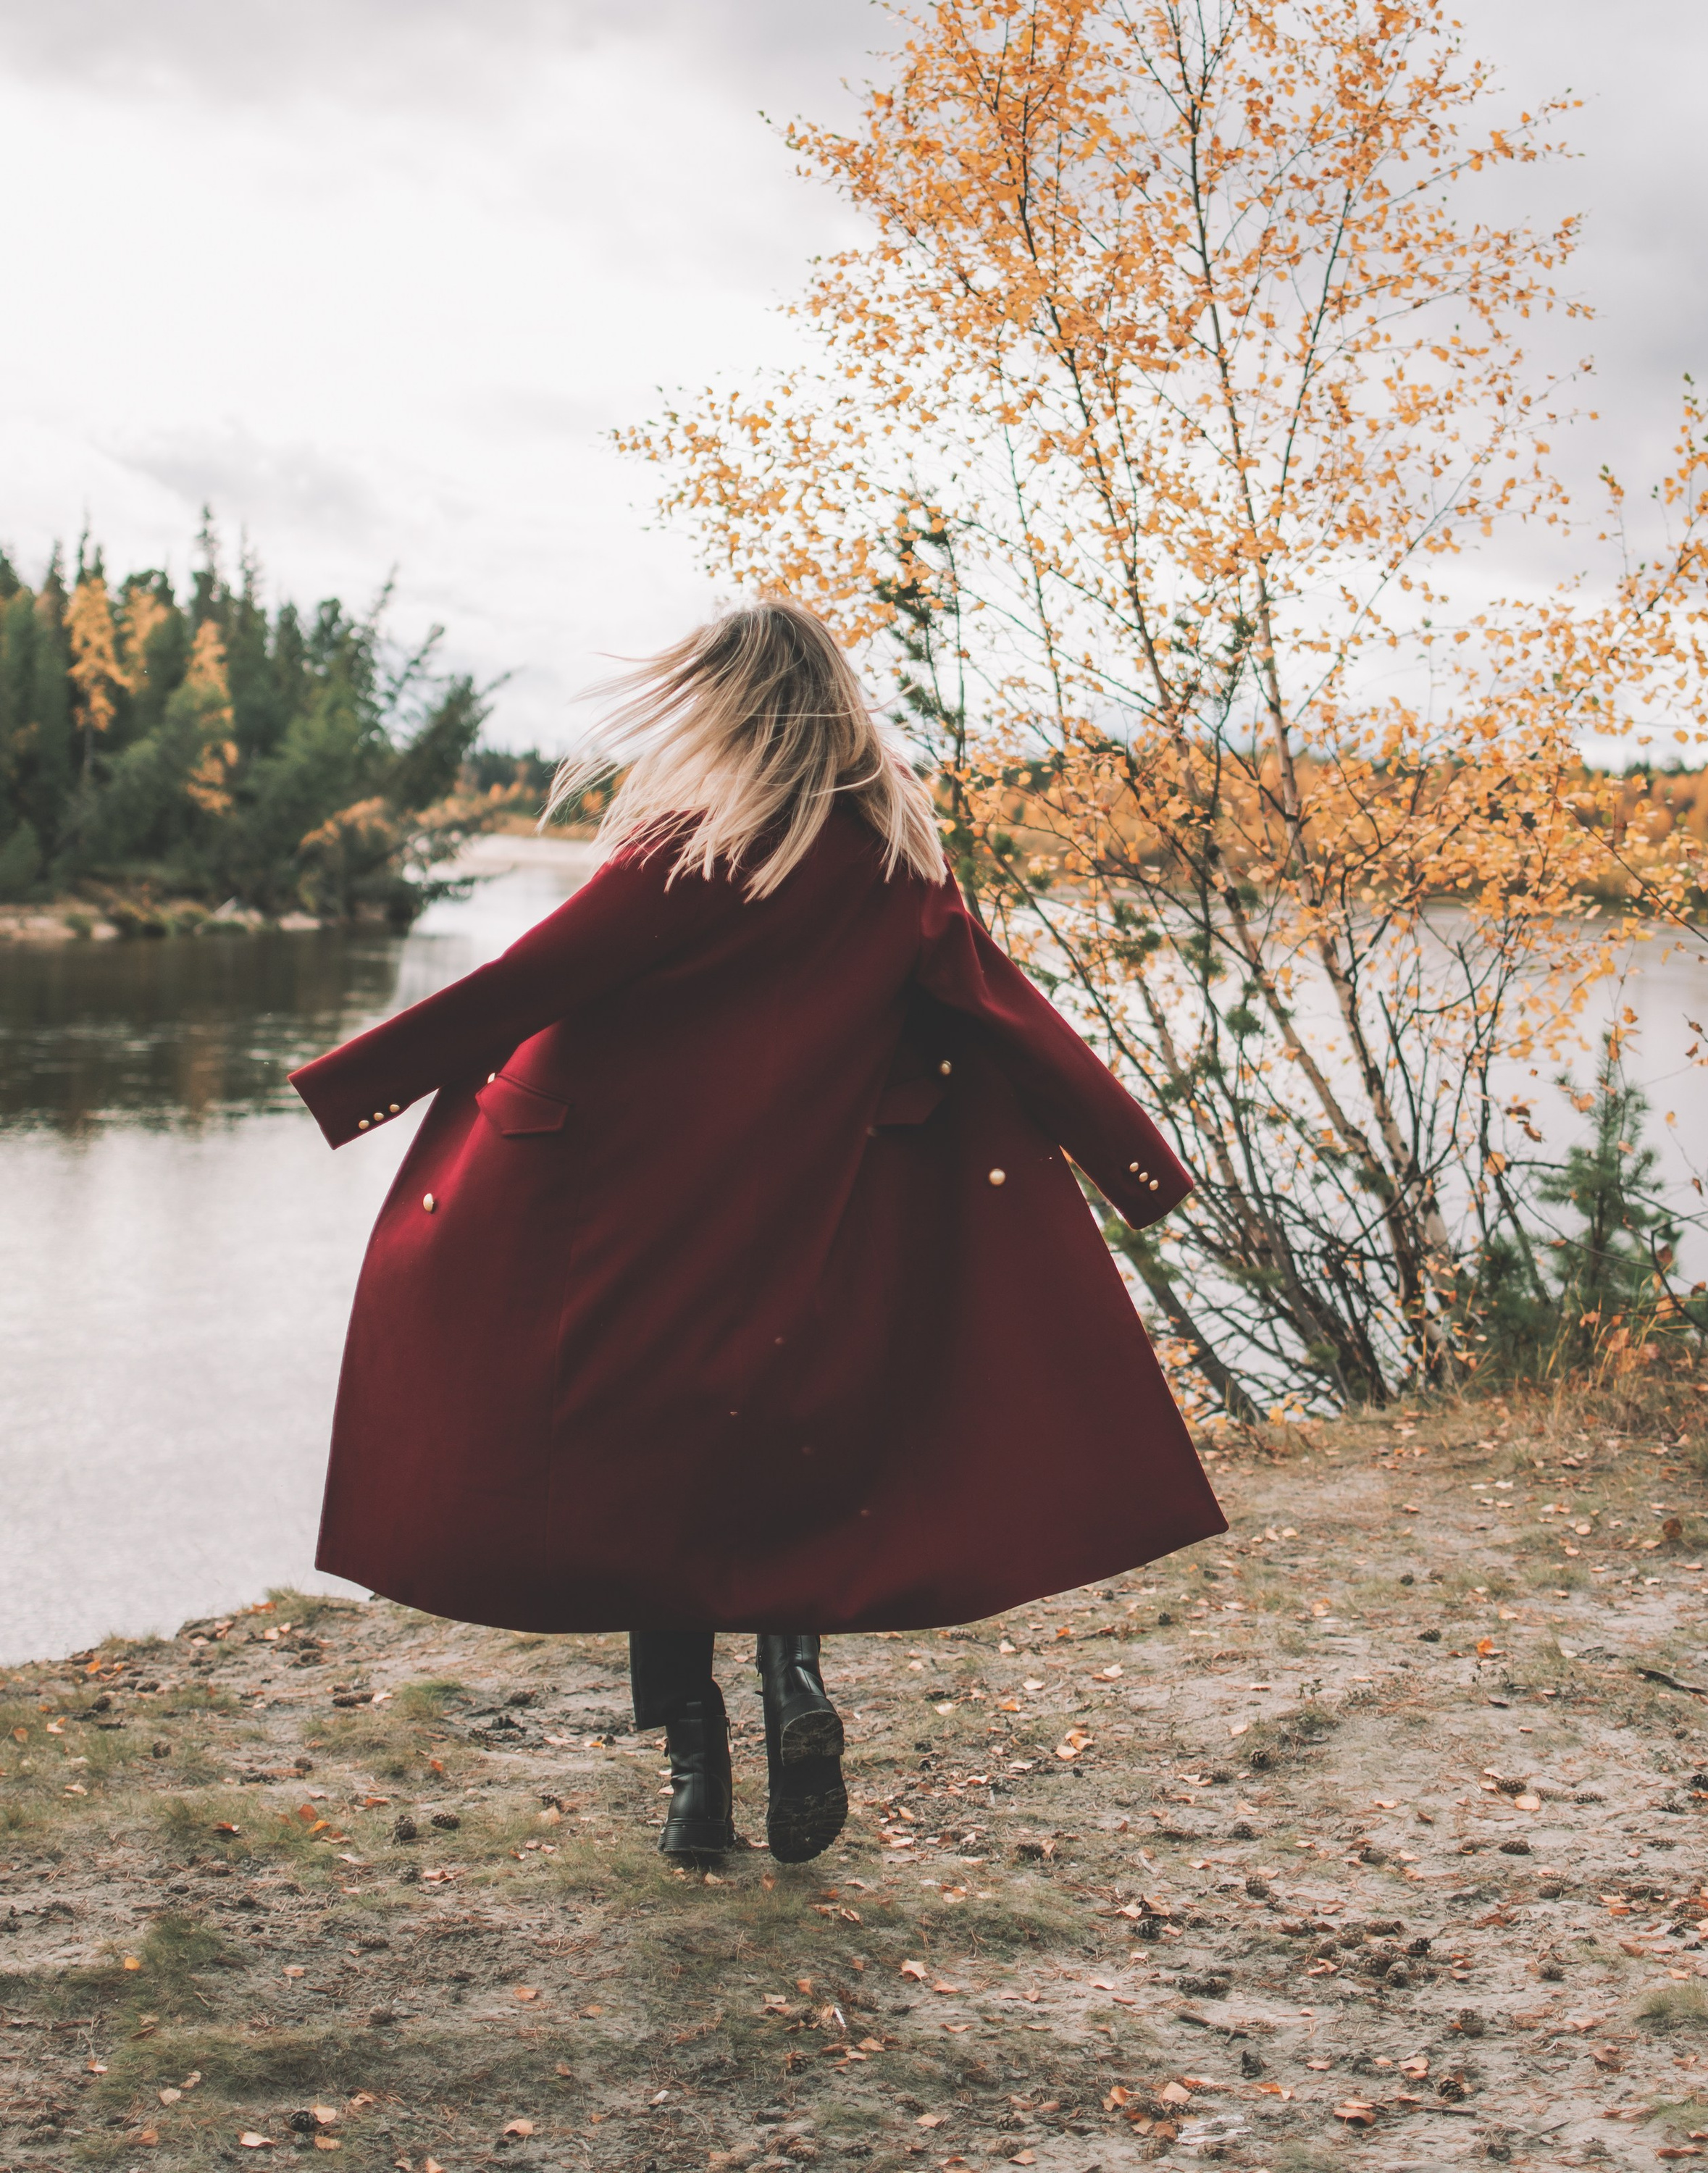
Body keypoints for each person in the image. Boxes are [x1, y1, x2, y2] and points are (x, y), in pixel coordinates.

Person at [289, 601, 1225, 1866]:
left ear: (721, 707)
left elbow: (532, 982)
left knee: (644, 1494)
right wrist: (1138, 1168)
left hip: (648, 1229)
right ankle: (796, 1689)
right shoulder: (895, 867)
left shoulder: (683, 856)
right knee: (779, 1464)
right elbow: (1006, 1011)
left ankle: (695, 1780)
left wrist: (354, 1087)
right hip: (810, 1225)